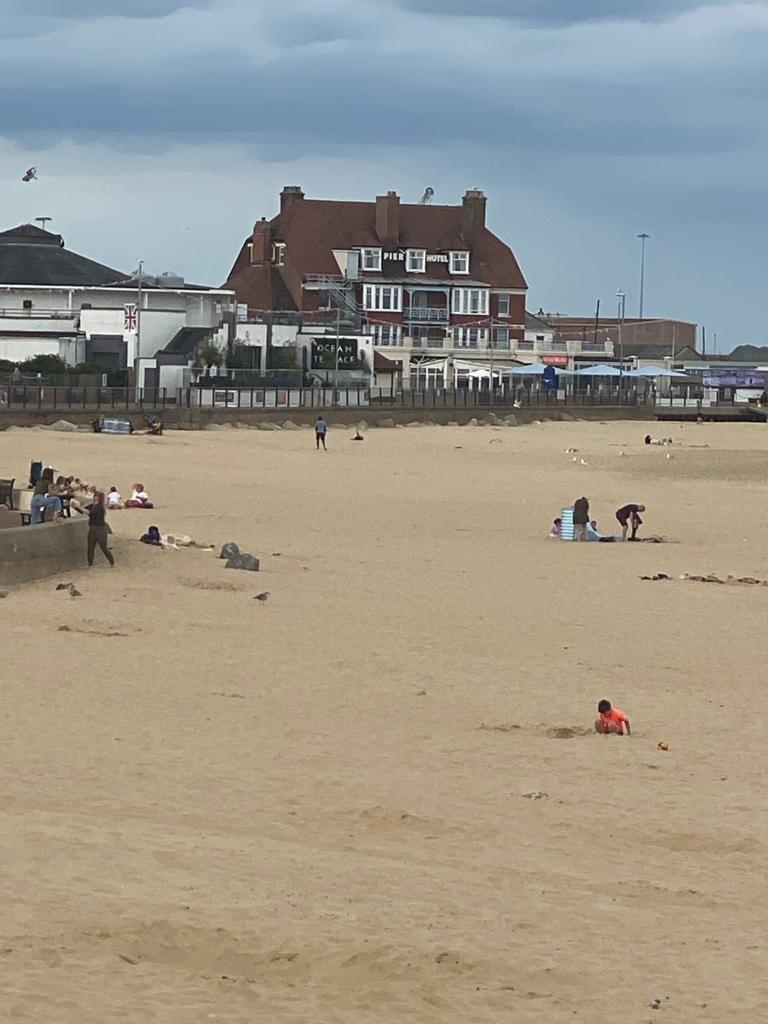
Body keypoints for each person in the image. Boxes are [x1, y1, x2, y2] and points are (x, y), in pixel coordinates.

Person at [85, 490, 115, 567]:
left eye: (96, 496)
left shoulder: (100, 507)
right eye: (94, 496)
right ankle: (90, 564)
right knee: (90, 547)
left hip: (100, 529)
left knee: (103, 547)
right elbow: (84, 509)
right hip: (92, 528)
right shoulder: (92, 505)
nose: (95, 497)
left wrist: (77, 506)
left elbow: (90, 513)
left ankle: (112, 562)